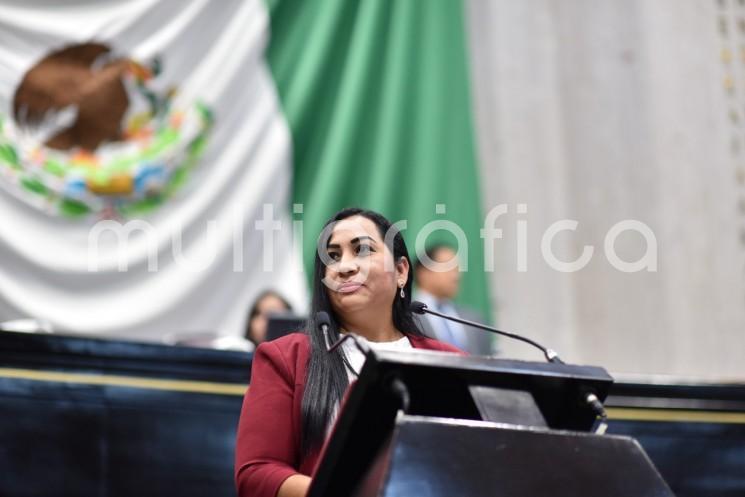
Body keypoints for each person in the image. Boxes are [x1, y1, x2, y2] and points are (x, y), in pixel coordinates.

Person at [234, 208, 463, 497]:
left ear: (401, 271)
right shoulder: (285, 357)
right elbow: (256, 474)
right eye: (333, 256)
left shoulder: (448, 362)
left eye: (362, 250)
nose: (344, 266)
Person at [413, 244, 493, 355]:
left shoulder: (474, 320)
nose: (456, 276)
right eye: (448, 267)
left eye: (457, 269)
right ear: (424, 272)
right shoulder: (404, 316)